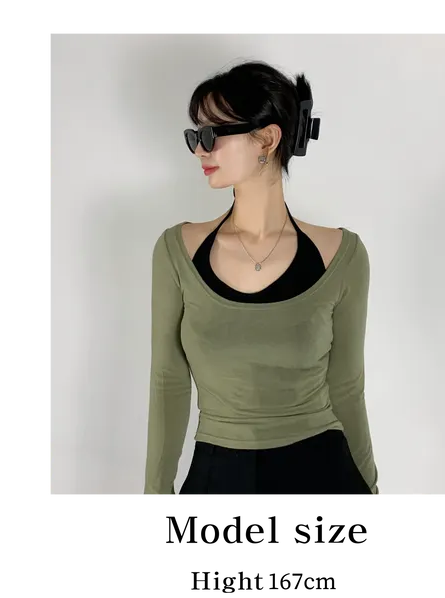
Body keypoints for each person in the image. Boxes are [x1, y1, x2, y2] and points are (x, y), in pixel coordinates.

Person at [144, 61, 378, 504]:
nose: (199, 150)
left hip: (324, 477)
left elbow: (347, 386)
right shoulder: (177, 252)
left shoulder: (342, 255)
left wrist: (372, 489)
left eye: (211, 134)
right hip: (217, 475)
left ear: (267, 140)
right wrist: (155, 494)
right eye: (194, 136)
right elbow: (167, 380)